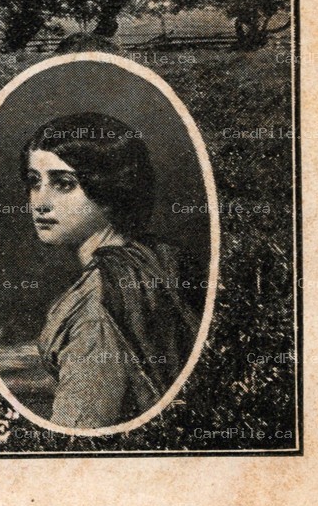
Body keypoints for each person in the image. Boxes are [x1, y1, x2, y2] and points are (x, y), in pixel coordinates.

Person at [21, 113, 199, 429]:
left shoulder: (94, 310)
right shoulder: (148, 259)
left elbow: (78, 434)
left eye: (63, 184)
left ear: (110, 191)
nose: (40, 202)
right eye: (35, 181)